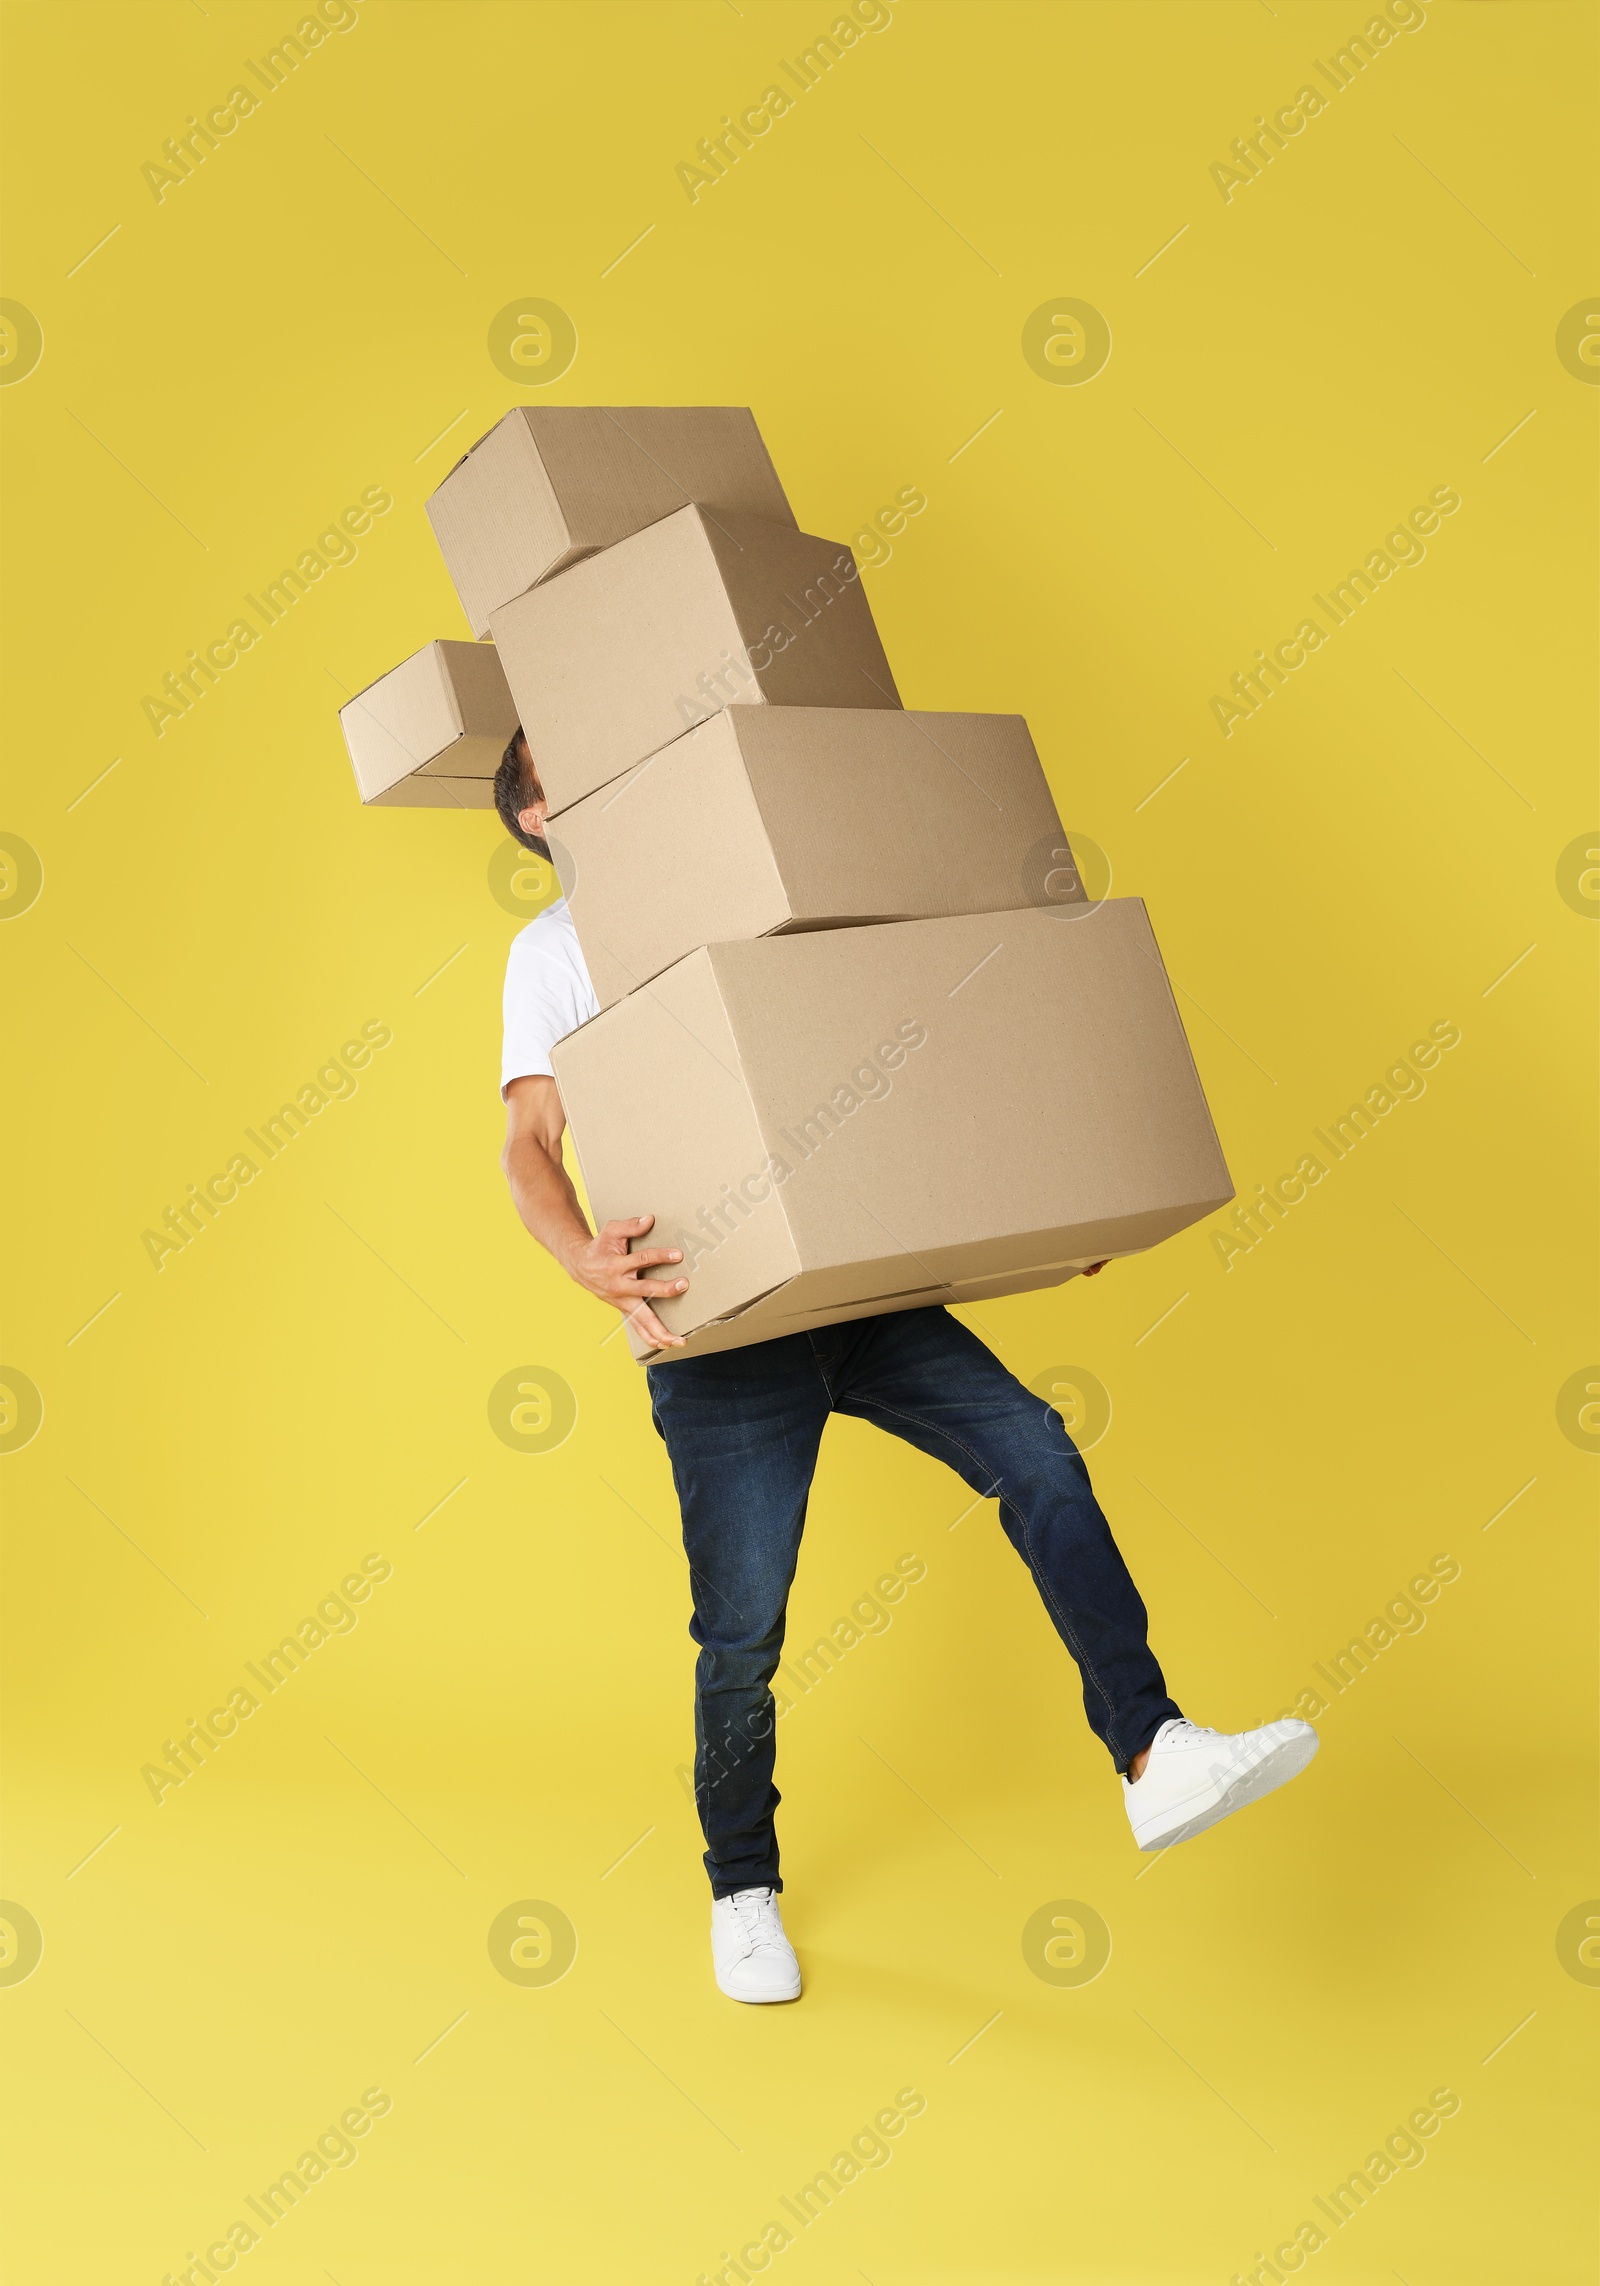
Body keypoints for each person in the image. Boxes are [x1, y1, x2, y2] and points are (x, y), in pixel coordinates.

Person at [494, 730, 1317, 2004]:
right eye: (558, 808)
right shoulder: (550, 955)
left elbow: (903, 1050)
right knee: (744, 1631)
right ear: (538, 828)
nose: (587, 815)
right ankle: (740, 1888)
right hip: (722, 1331)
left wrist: (1047, 1212)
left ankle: (1153, 1753)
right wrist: (577, 1258)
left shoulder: (749, 873)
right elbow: (528, 1140)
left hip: (864, 1288)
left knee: (1038, 1453)